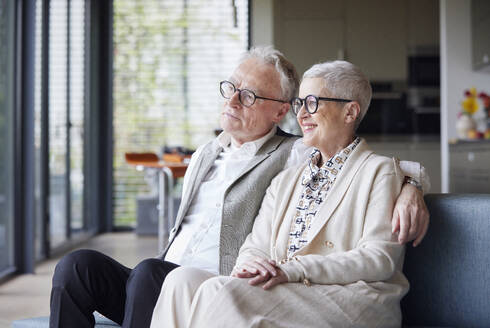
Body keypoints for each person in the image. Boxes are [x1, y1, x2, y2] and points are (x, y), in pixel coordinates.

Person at [50, 47, 428, 328]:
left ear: (279, 112)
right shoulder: (205, 154)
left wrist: (411, 184)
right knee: (77, 266)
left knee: (153, 273)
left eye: (248, 95)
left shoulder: (291, 152)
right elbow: (256, 244)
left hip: (216, 279)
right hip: (170, 278)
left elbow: (369, 164)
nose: (232, 100)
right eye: (231, 88)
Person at [151, 59, 412, 328]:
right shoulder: (287, 179)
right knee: (179, 281)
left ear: (350, 112)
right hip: (291, 287)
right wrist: (251, 266)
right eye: (300, 104)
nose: (301, 115)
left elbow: (378, 259)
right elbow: (255, 246)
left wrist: (293, 269)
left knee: (218, 291)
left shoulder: (379, 171)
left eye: (313, 103)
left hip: (351, 295)